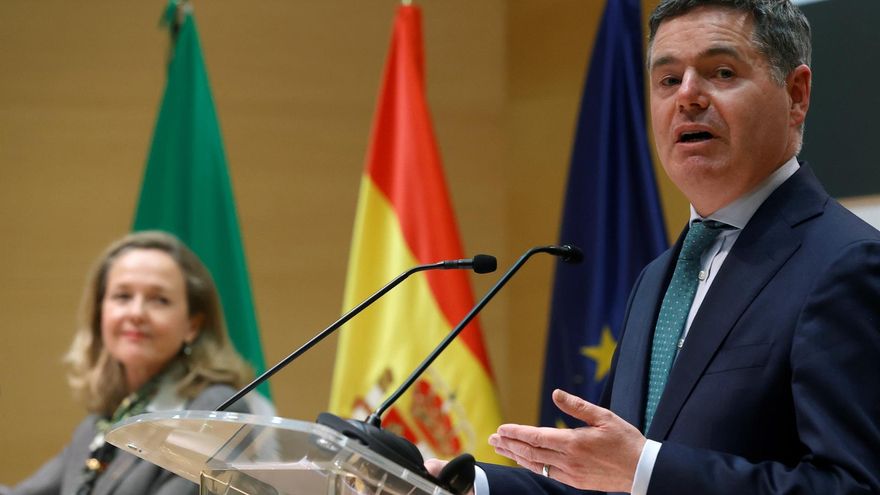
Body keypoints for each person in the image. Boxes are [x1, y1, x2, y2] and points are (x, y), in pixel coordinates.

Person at [429, 0, 880, 493]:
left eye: (721, 72)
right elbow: (610, 483)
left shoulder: (847, 263)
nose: (688, 95)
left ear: (796, 95)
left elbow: (854, 485)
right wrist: (463, 484)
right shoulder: (658, 277)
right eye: (668, 80)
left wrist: (646, 468)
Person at [2, 231, 254, 495]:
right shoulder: (100, 423)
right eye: (122, 296)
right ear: (100, 313)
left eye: (159, 300)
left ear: (192, 325)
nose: (136, 313)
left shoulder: (214, 409)